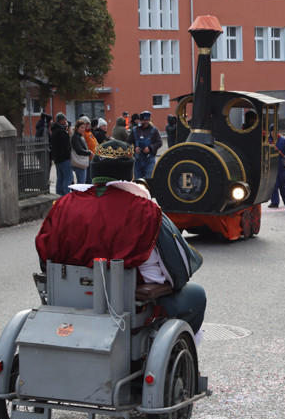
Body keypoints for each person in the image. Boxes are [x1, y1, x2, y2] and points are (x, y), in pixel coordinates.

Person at [35, 139, 206, 342]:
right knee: (196, 294)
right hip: (128, 308)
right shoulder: (147, 210)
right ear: (129, 174)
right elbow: (179, 271)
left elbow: (45, 260)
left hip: (66, 302)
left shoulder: (62, 205)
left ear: (94, 170)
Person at [132, 111, 163, 180]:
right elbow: (128, 142)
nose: (146, 122)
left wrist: (150, 148)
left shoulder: (154, 130)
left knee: (149, 180)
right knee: (137, 181)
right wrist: (134, 148)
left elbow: (159, 142)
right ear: (140, 120)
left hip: (149, 160)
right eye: (144, 120)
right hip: (137, 161)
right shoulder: (134, 130)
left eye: (147, 120)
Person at [50, 112, 73, 196]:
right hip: (64, 158)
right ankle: (66, 194)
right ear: (62, 120)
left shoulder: (55, 130)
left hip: (57, 159)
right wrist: (68, 132)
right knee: (68, 177)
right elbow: (66, 144)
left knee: (60, 177)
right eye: (65, 119)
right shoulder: (61, 131)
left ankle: (58, 194)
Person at [268, 127, 285, 208]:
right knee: (273, 185)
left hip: (282, 167)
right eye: (271, 131)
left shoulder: (284, 141)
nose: (273, 133)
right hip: (272, 167)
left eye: (274, 131)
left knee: (283, 185)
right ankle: (274, 202)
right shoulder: (267, 141)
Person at [70, 118, 94, 184]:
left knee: (82, 181)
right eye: (81, 128)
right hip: (79, 162)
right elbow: (78, 150)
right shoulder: (75, 137)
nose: (83, 129)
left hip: (81, 162)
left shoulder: (79, 136)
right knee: (81, 182)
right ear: (77, 128)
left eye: (84, 128)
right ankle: (79, 194)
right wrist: (89, 152)